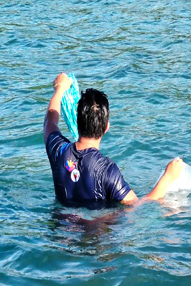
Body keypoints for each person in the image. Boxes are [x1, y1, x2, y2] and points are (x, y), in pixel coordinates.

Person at [43, 73, 183, 208]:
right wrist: (168, 177)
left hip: (60, 223)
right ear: (106, 127)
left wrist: (59, 89)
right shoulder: (107, 170)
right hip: (96, 224)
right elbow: (137, 206)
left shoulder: (58, 150)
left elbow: (50, 121)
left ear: (76, 122)